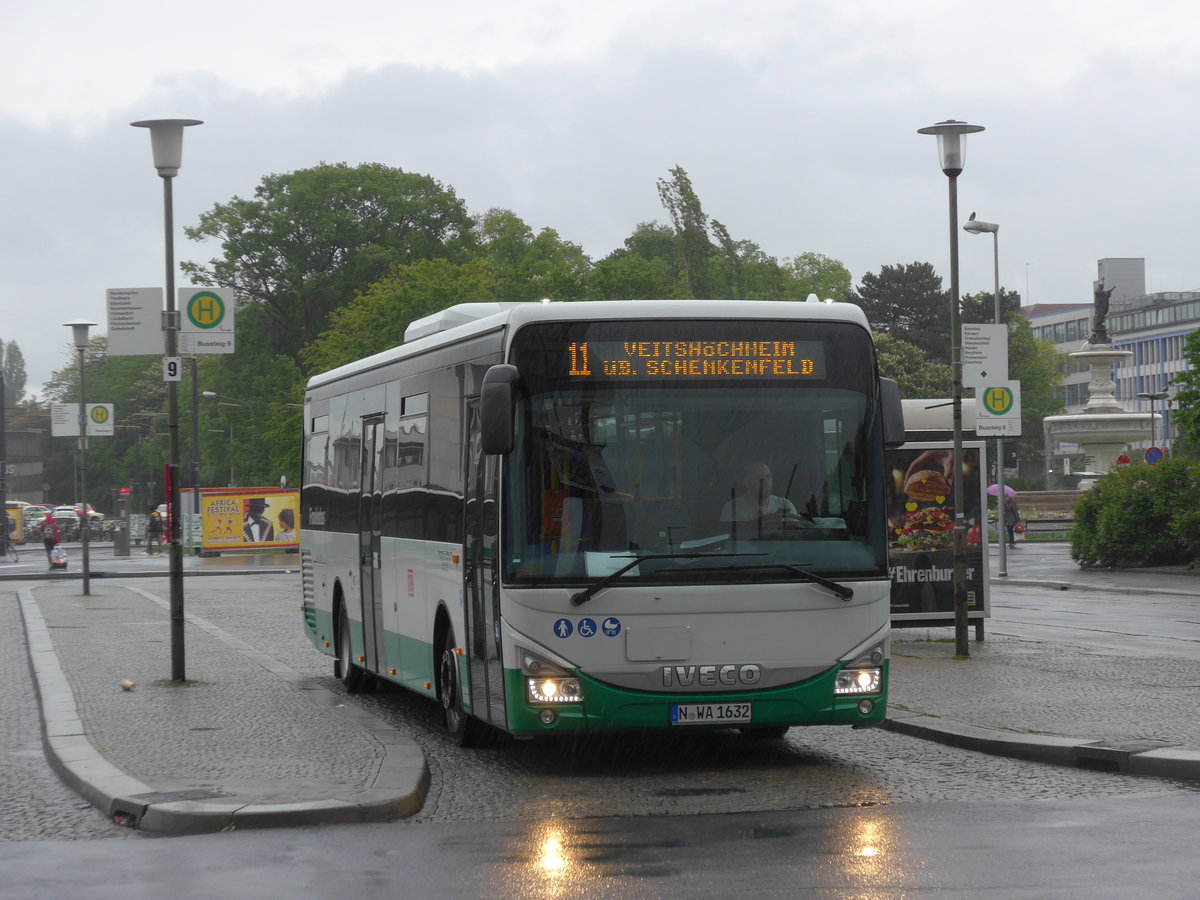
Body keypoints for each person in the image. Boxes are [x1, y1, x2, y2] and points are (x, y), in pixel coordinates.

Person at [719, 461, 799, 525]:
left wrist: (780, 522)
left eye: (768, 476)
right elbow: (729, 542)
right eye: (761, 478)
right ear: (747, 482)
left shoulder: (784, 504)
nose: (767, 482)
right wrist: (755, 524)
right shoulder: (731, 509)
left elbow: (798, 537)